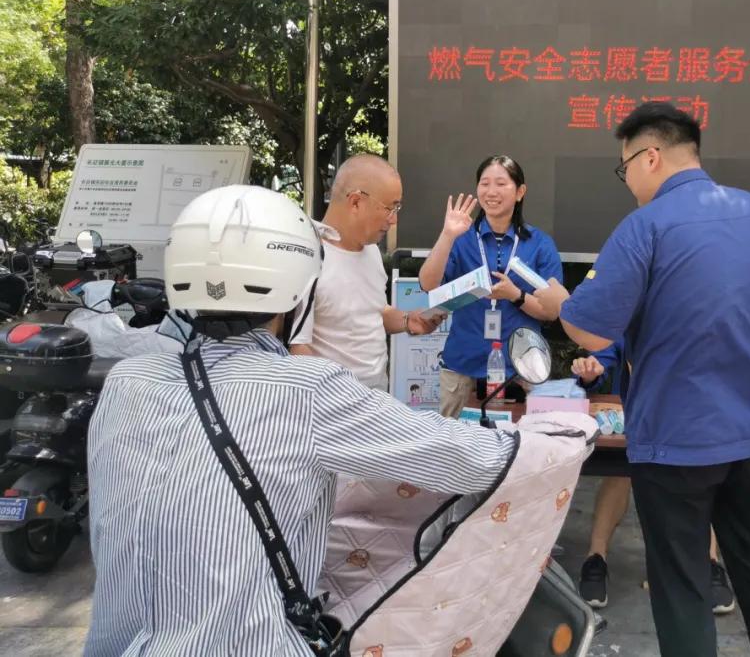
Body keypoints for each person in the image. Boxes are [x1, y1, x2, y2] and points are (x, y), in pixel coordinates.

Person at [84, 185, 517, 656]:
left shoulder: (126, 382)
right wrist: (541, 437)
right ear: (297, 288)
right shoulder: (306, 389)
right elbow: (471, 460)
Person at [533, 102, 750, 657]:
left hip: (677, 441)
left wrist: (560, 303)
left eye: (625, 167)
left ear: (651, 156)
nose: (628, 180)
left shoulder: (645, 226)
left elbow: (589, 329)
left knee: (682, 586)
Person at [573, 342, 735, 616]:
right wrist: (590, 372)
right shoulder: (629, 324)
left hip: (688, 417)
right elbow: (600, 359)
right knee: (620, 473)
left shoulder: (694, 323)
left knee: (701, 475)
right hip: (634, 418)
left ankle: (710, 563)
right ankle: (595, 558)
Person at [419, 154, 563, 417]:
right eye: (484, 184)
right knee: (454, 440)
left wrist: (516, 295)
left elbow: (552, 312)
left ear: (520, 192)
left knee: (522, 440)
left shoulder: (540, 244)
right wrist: (447, 234)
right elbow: (428, 284)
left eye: (501, 183)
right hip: (462, 367)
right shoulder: (460, 238)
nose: (491, 192)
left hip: (522, 369)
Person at [290, 154, 440, 389]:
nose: (394, 220)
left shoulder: (371, 251)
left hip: (378, 398)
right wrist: (334, 397)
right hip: (333, 402)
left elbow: (374, 312)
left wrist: (408, 321)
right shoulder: (308, 256)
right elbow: (299, 348)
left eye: (397, 208)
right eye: (390, 208)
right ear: (356, 202)